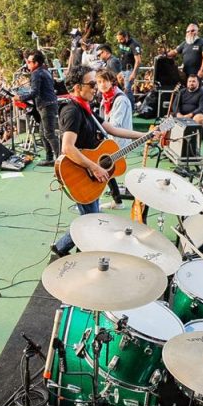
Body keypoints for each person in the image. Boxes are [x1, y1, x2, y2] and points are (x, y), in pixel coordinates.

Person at [52, 66, 145, 256]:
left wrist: (145, 135)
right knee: (91, 221)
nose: (96, 87)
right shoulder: (72, 111)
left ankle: (62, 248)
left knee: (90, 219)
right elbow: (67, 147)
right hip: (80, 173)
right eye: (92, 83)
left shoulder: (85, 108)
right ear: (78, 87)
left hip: (89, 173)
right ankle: (72, 252)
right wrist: (94, 167)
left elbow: (111, 129)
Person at [96, 69, 133, 210]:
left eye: (104, 81)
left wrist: (100, 129)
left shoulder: (120, 99)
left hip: (119, 141)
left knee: (103, 168)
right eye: (99, 82)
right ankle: (118, 202)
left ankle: (94, 201)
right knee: (107, 170)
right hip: (110, 140)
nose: (102, 84)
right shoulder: (105, 98)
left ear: (112, 81)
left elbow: (115, 125)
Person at [24, 50, 60, 167]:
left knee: (49, 133)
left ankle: (60, 159)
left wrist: (20, 97)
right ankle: (50, 158)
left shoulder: (36, 74)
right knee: (42, 132)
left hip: (46, 105)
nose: (27, 64)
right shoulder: (45, 71)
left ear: (36, 63)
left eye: (29, 62)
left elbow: (34, 92)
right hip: (49, 104)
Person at [115, 30, 143, 101]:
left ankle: (132, 109)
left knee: (127, 90)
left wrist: (133, 73)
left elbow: (138, 60)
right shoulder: (121, 44)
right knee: (120, 86)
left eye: (121, 39)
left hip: (130, 70)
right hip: (123, 69)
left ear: (126, 37)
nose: (119, 41)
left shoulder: (134, 44)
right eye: (118, 39)